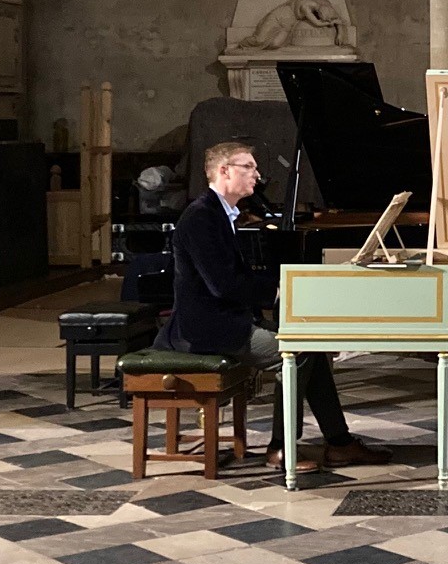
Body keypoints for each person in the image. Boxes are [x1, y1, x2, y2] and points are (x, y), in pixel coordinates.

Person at [157, 139, 390, 470]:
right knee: (298, 353)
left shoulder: (218, 214)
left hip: (226, 320)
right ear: (223, 171)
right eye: (248, 167)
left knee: (312, 349)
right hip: (207, 330)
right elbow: (223, 286)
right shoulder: (200, 218)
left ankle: (340, 443)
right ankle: (280, 448)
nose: (257, 174)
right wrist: (278, 292)